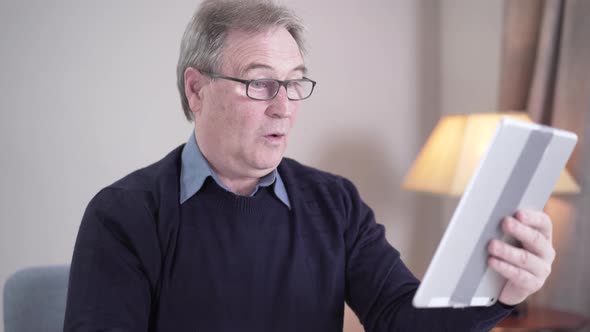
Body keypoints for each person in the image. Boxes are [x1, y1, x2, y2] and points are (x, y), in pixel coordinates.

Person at [63, 0, 555, 331]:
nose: (285, 106)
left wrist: (499, 292)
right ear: (196, 90)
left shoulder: (335, 203)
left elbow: (401, 317)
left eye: (295, 82)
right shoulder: (123, 216)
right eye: (260, 83)